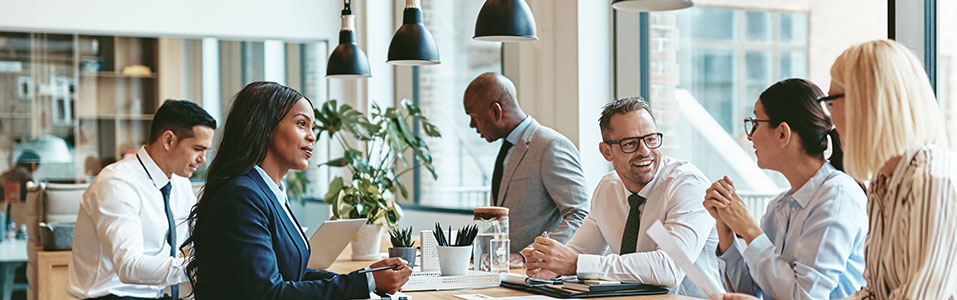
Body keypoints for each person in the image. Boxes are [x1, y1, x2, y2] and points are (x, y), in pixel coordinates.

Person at [182, 82, 411, 299]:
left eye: (312, 127)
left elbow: (294, 275)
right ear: (265, 127)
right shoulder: (242, 197)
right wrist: (367, 283)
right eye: (302, 124)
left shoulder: (269, 191)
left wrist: (366, 277)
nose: (312, 136)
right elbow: (270, 293)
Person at [827, 40, 957, 299]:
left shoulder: (936, 182)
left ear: (867, 103)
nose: (830, 121)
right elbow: (875, 293)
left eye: (831, 103)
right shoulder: (884, 182)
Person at [522, 97, 720, 298]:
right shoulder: (608, 188)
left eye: (651, 139)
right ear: (606, 151)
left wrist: (574, 264)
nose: (644, 151)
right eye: (630, 143)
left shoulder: (686, 185)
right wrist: (551, 265)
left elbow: (670, 268)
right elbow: (580, 251)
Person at [705, 78, 868, 300]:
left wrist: (750, 229)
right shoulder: (778, 207)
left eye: (755, 123)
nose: (750, 135)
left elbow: (805, 297)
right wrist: (726, 229)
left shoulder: (837, 196)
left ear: (783, 133)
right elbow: (751, 293)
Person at [68, 100, 216, 300]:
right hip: (112, 295)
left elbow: (194, 240)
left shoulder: (180, 184)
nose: (203, 159)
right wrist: (203, 265)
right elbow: (129, 266)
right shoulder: (117, 183)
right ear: (169, 140)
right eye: (198, 148)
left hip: (159, 294)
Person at [463, 72, 589, 253]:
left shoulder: (550, 145)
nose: (472, 126)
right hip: (505, 271)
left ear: (496, 111)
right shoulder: (506, 148)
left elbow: (580, 215)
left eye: (474, 117)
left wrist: (529, 255)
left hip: (535, 273)